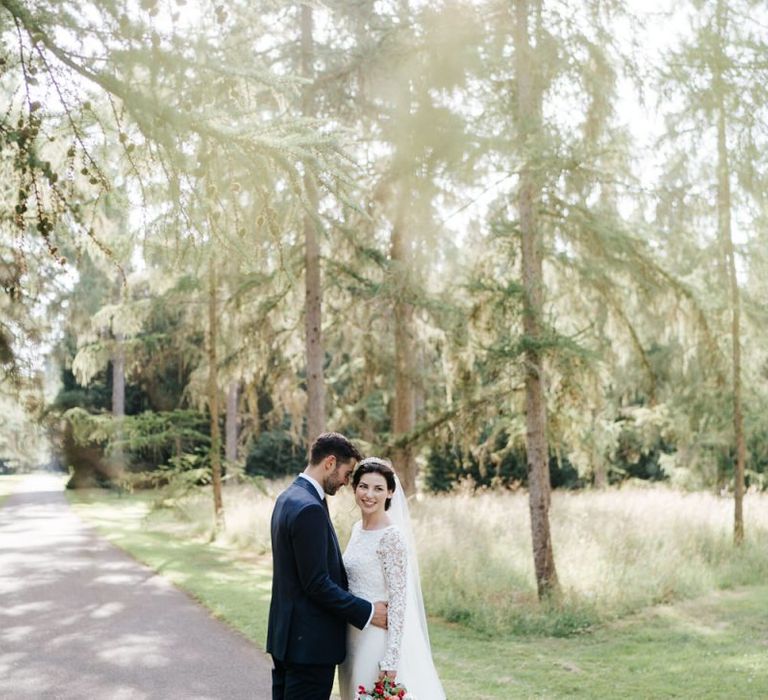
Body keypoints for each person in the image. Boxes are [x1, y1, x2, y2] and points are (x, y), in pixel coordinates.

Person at [267, 432, 389, 700]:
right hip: (309, 647)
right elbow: (316, 583)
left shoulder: (288, 497)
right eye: (347, 473)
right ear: (330, 462)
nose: (347, 482)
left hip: (285, 639)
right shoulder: (309, 507)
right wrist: (368, 611)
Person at [339, 458, 445, 700]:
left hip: (376, 640)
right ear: (355, 488)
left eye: (378, 488)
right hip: (352, 635)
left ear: (390, 493)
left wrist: (391, 659)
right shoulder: (357, 529)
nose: (369, 495)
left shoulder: (392, 537)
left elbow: (399, 601)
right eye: (364, 486)